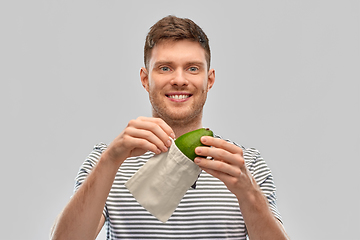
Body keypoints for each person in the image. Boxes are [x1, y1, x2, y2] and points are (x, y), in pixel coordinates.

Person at [51, 15, 289, 240]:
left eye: (193, 68)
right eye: (165, 68)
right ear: (145, 79)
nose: (179, 79)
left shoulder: (246, 165)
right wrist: (110, 160)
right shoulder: (108, 160)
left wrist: (248, 193)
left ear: (210, 80)